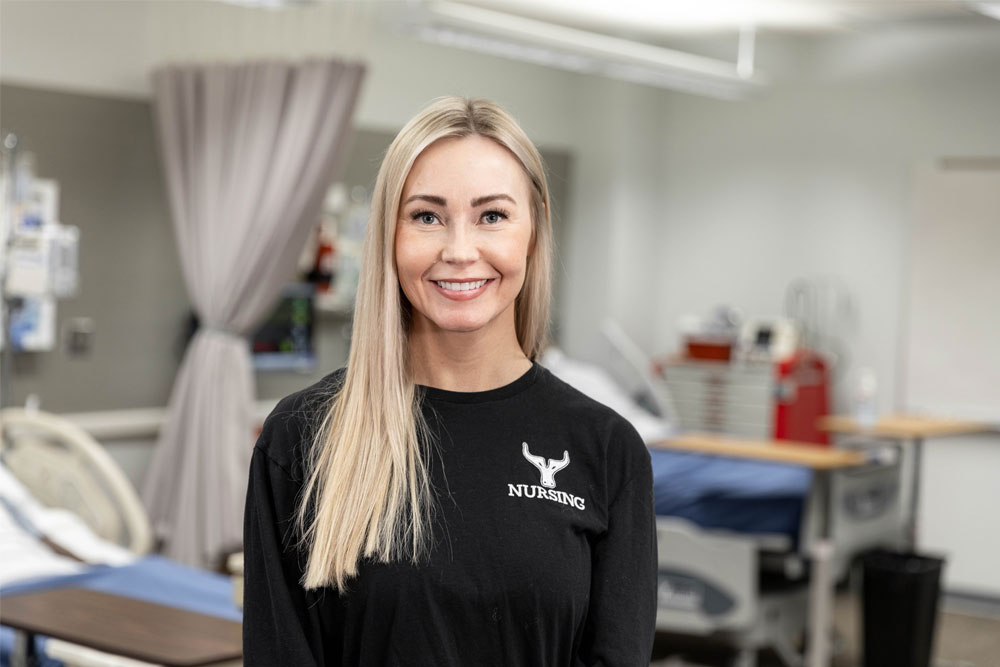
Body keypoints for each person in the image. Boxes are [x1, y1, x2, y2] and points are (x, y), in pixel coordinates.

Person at [243, 97, 656, 666]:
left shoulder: (607, 450)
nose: (460, 251)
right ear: (389, 237)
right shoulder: (301, 436)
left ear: (532, 234)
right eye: (427, 216)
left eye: (492, 216)